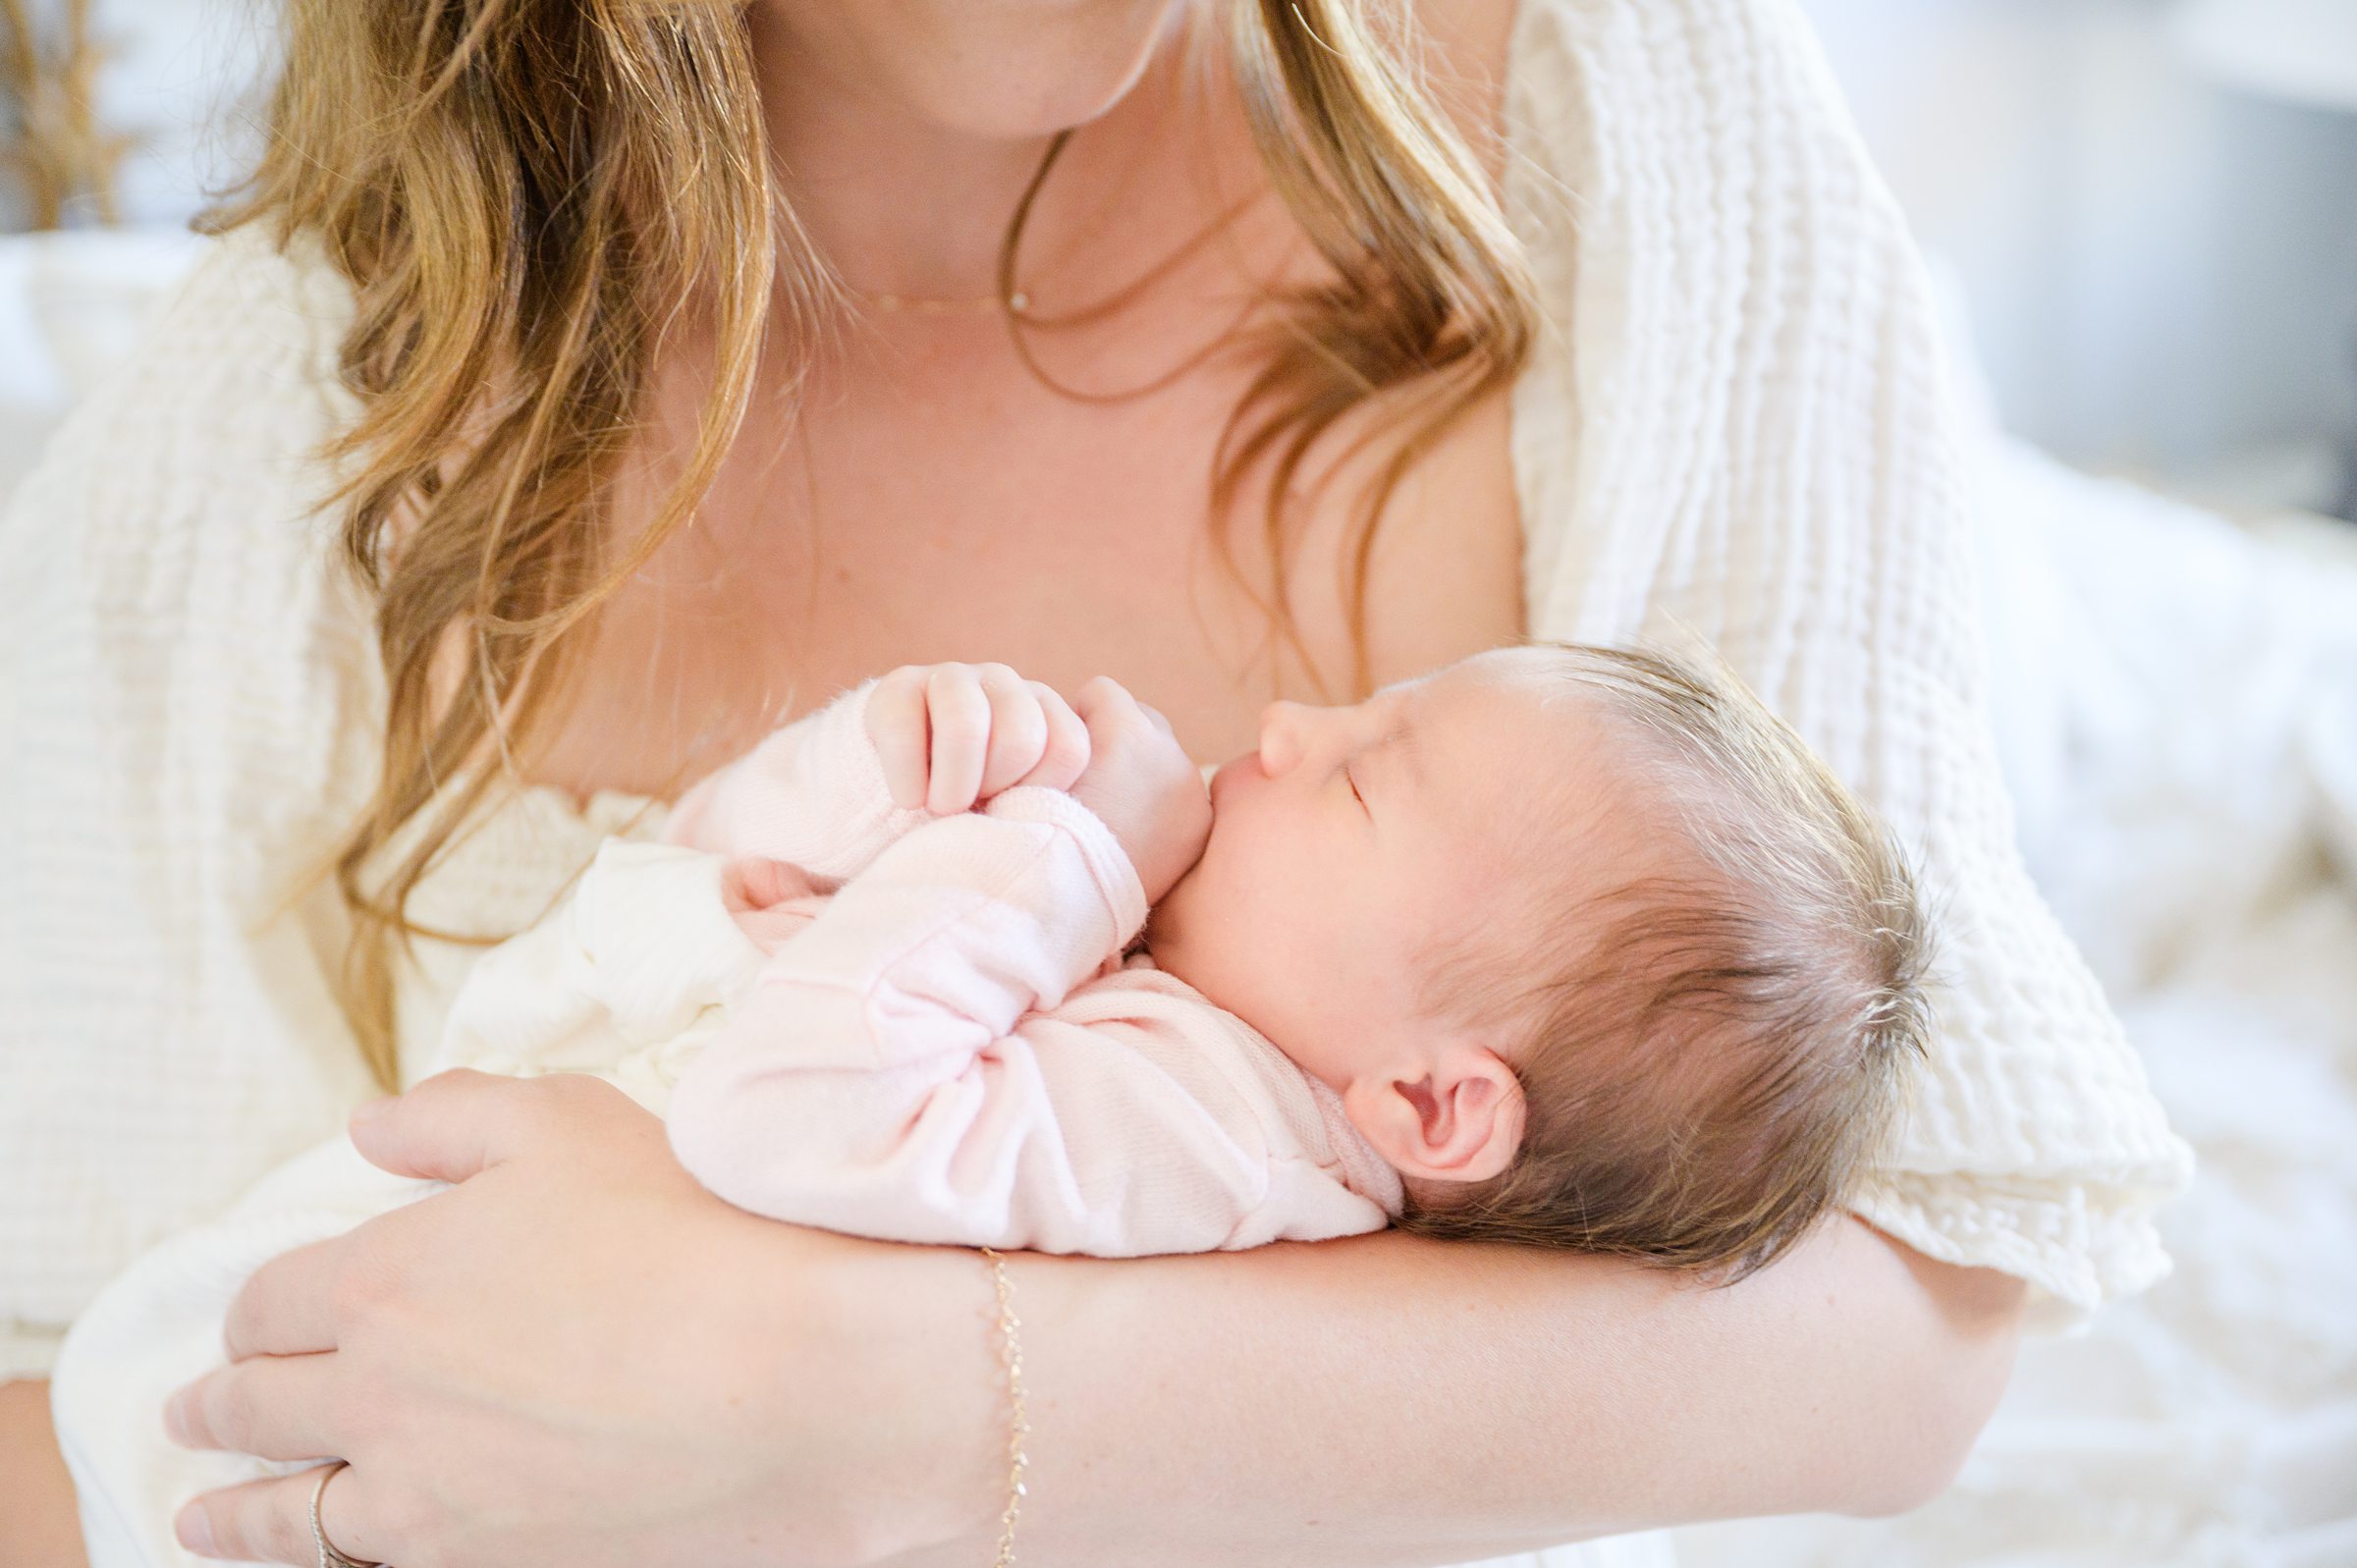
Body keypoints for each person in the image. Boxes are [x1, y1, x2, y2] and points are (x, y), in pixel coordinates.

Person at [0, 2, 2193, 1566]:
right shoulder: (298, 428)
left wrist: (862, 1402)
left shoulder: (1630, 111)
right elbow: (65, 1415)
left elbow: (1912, 1321)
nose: (1294, 741)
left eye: (1369, 771)